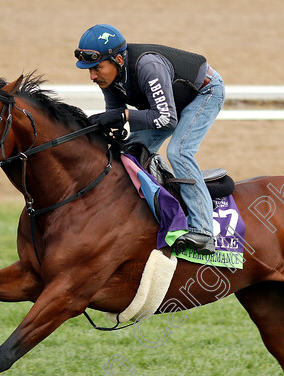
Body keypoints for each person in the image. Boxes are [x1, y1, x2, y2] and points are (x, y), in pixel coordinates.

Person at [74, 24, 225, 255]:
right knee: (128, 152)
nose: (92, 76)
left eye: (97, 68)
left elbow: (167, 119)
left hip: (204, 93)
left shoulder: (148, 66)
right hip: (170, 102)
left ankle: (203, 231)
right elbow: (117, 114)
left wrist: (122, 116)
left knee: (179, 151)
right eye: (89, 70)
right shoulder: (109, 78)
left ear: (118, 60)